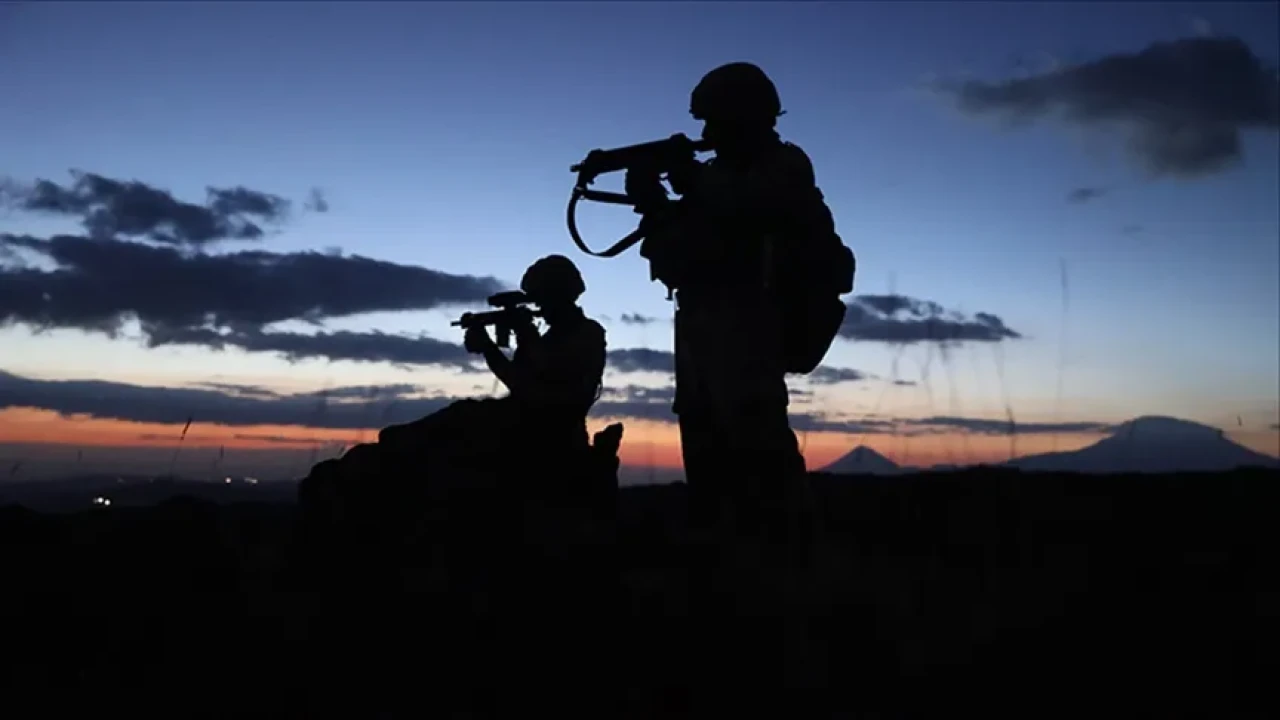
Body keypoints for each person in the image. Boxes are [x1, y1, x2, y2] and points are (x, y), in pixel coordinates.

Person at [626, 62, 840, 559]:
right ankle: (724, 561)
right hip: (702, 326)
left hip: (749, 323)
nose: (706, 134)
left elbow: (753, 207)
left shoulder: (784, 165)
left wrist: (689, 179)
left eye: (715, 122)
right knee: (705, 447)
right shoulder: (715, 177)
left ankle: (788, 563)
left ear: (747, 117)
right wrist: (654, 205)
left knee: (758, 446)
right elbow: (680, 256)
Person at [379, 254, 608, 473]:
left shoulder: (588, 332)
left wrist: (523, 334)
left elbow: (548, 376)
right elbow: (518, 380)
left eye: (542, 298)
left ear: (559, 295)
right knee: (458, 415)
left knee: (462, 419)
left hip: (551, 433)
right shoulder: (548, 337)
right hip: (525, 423)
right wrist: (490, 348)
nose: (539, 306)